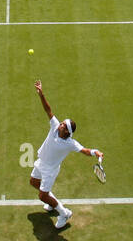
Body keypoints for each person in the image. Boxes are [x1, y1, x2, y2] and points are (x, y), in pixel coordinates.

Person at [29, 80, 102, 229]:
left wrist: (96, 152)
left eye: (63, 125)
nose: (60, 124)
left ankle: (64, 213)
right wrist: (41, 94)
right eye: (61, 123)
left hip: (50, 170)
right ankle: (52, 203)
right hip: (41, 162)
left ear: (67, 131)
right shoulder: (55, 126)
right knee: (33, 182)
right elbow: (48, 110)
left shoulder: (70, 143)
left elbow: (85, 151)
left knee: (42, 196)